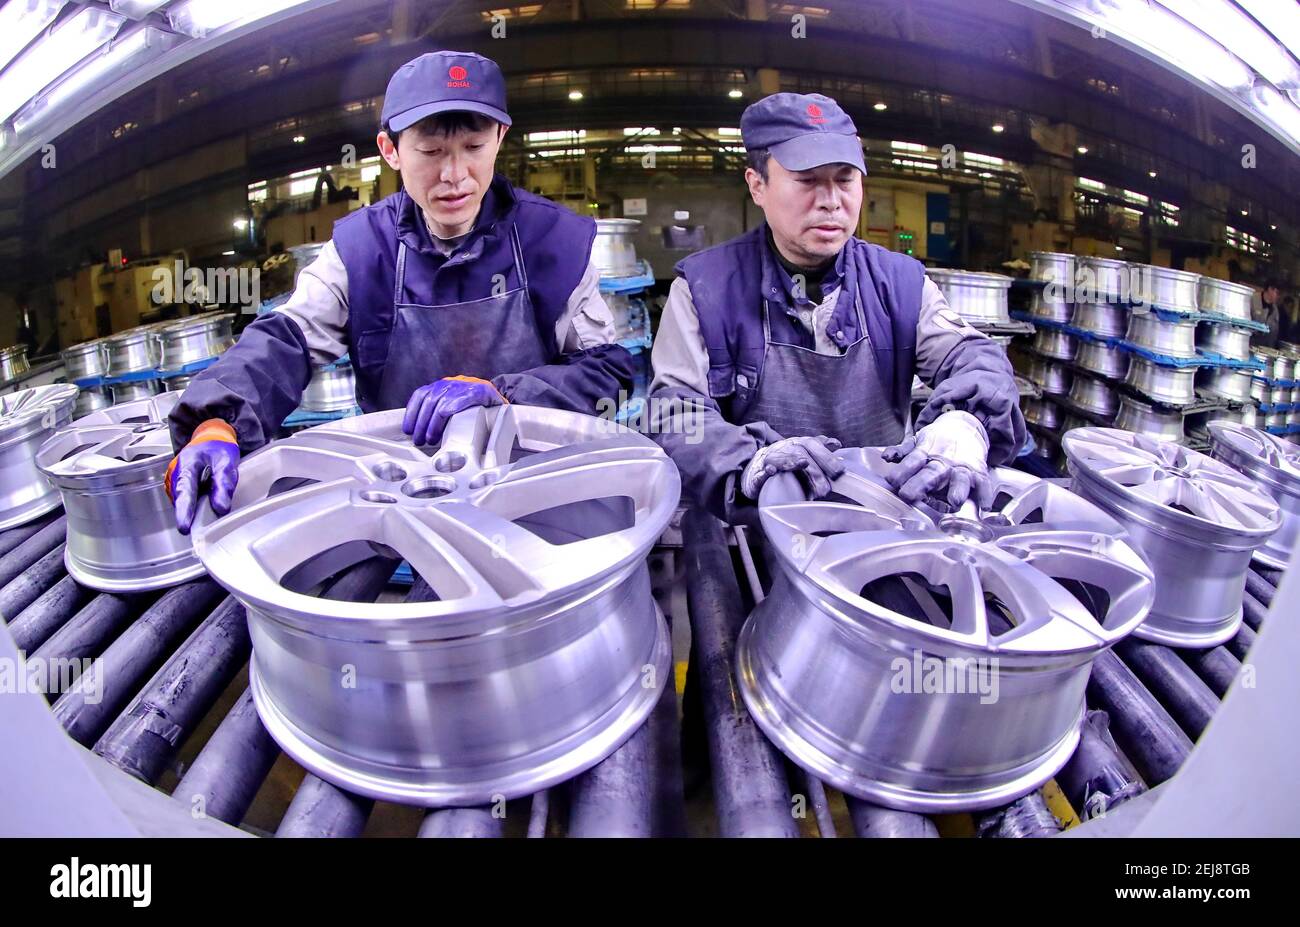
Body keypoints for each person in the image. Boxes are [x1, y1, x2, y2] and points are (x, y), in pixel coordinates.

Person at [165, 51, 634, 533]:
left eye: (473, 146)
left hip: (535, 493)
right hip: (405, 499)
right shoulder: (361, 250)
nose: (454, 175)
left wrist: (501, 393)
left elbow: (606, 371)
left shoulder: (553, 242)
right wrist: (218, 419)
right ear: (390, 150)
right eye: (430, 153)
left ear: (500, 138)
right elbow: (287, 340)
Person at [648, 92, 1024, 523]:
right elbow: (675, 412)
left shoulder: (901, 284)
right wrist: (746, 464)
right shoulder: (704, 289)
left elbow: (973, 357)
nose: (831, 200)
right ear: (757, 185)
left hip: (885, 521)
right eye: (807, 180)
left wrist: (966, 422)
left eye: (845, 179)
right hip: (756, 528)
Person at [1252, 279, 1282, 349]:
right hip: (1248, 344)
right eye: (1277, 293)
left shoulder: (1275, 311)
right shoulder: (1253, 300)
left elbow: (1273, 334)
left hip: (1263, 349)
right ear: (1269, 289)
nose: (1278, 297)